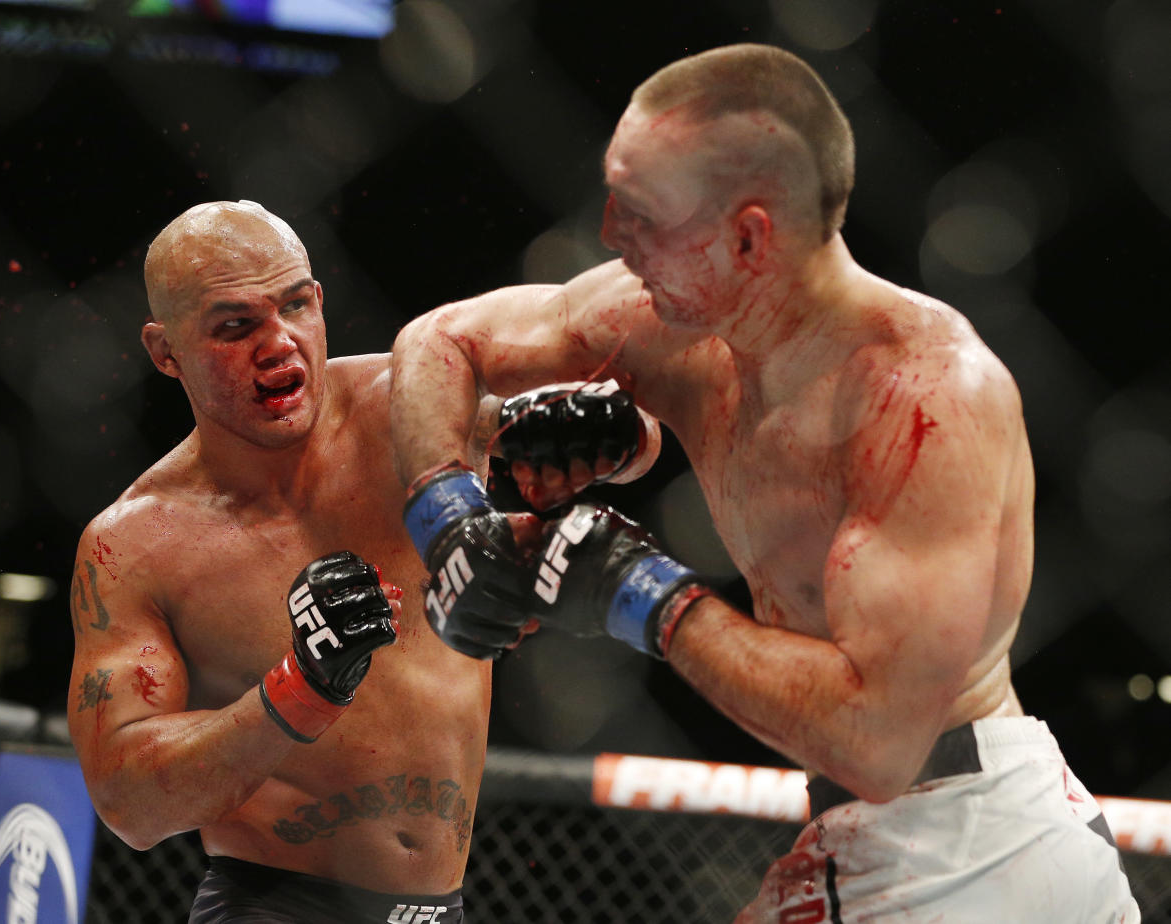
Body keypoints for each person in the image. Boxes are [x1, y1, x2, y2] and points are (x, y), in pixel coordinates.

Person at [388, 44, 1140, 922]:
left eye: (642, 213)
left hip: (971, 848)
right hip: (876, 832)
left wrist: (636, 590)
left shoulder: (923, 400)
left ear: (747, 236)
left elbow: (877, 744)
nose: (610, 234)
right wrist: (451, 519)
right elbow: (440, 342)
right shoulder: (672, 326)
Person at [66, 200, 639, 923]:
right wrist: (300, 688)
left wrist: (603, 437)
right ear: (165, 350)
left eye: (294, 305)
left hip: (443, 908)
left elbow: (632, 425)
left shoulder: (412, 406)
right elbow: (128, 803)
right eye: (235, 327)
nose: (279, 345)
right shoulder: (133, 545)